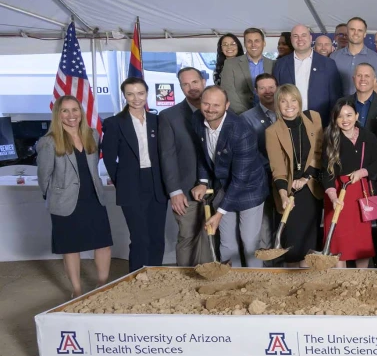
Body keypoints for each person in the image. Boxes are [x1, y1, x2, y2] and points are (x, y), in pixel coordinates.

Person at [37, 96, 113, 296]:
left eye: (75, 110)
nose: (71, 115)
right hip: (65, 202)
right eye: (65, 111)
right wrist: (54, 198)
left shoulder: (93, 135)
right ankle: (77, 290)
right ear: (58, 114)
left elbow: (93, 167)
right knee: (71, 248)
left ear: (81, 112)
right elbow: (43, 177)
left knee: (103, 244)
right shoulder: (48, 142)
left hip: (94, 198)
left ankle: (103, 284)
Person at [191, 86, 270, 267]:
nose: (210, 109)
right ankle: (231, 283)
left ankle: (253, 283)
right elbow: (202, 152)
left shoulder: (242, 131)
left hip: (249, 188)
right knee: (227, 243)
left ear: (227, 105)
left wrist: (218, 214)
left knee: (249, 241)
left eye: (216, 105)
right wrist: (202, 181)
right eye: (206, 104)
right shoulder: (197, 119)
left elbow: (240, 179)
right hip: (223, 186)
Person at [101, 77, 167, 272]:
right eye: (130, 94)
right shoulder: (114, 123)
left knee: (156, 236)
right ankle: (137, 278)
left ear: (147, 94)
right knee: (139, 237)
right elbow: (109, 159)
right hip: (130, 185)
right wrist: (121, 182)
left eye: (140, 93)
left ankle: (155, 275)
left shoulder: (158, 120)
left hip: (156, 184)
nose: (136, 98)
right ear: (124, 96)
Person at [265, 84, 324, 266]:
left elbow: (320, 152)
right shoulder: (272, 131)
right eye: (283, 101)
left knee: (311, 236)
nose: (289, 105)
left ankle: (311, 278)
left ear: (299, 102)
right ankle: (291, 279)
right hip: (289, 190)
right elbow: (278, 167)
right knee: (292, 239)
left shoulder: (313, 118)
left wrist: (305, 178)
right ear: (277, 104)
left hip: (311, 186)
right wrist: (283, 194)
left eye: (293, 100)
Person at [320, 99, 377, 268]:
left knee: (361, 240)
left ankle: (360, 282)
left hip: (360, 193)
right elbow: (326, 171)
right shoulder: (330, 138)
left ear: (356, 115)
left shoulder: (368, 137)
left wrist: (362, 172)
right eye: (340, 116)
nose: (345, 120)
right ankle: (342, 283)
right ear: (335, 119)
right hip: (338, 194)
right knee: (339, 242)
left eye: (349, 115)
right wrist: (333, 197)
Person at [159, 67, 209, 265]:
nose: (191, 87)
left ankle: (208, 281)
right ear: (180, 87)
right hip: (185, 191)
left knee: (211, 238)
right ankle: (184, 282)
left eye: (194, 82)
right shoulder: (169, 116)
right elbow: (167, 155)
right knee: (188, 236)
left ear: (203, 82)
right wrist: (174, 191)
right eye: (185, 84)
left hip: (217, 189)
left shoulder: (219, 109)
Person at [273, 24, 344, 124]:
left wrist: (331, 124)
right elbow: (276, 96)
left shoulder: (328, 64)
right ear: (291, 39)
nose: (300, 39)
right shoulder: (280, 64)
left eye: (303, 35)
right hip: (288, 124)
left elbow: (335, 97)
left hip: (320, 123)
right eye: (296, 36)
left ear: (310, 38)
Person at [218, 27, 275, 115]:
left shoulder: (274, 64)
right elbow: (229, 92)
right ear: (244, 44)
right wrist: (247, 115)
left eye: (257, 41)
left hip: (270, 115)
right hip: (241, 116)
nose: (253, 45)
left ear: (264, 43)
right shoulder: (230, 64)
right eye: (249, 41)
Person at [345, 62, 377, 141]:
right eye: (359, 75)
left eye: (367, 76)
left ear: (374, 80)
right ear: (353, 79)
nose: (363, 79)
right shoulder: (342, 103)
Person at [331, 16, 377, 93]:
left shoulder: (375, 59)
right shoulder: (334, 57)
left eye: (360, 30)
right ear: (347, 32)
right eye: (352, 29)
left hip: (365, 104)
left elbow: (376, 87)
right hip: (338, 104)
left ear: (365, 34)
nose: (356, 33)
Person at [240, 73, 278, 157]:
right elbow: (249, 150)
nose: (267, 91)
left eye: (271, 87)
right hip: (263, 168)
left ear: (277, 89)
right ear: (256, 91)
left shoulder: (287, 112)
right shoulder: (245, 118)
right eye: (262, 88)